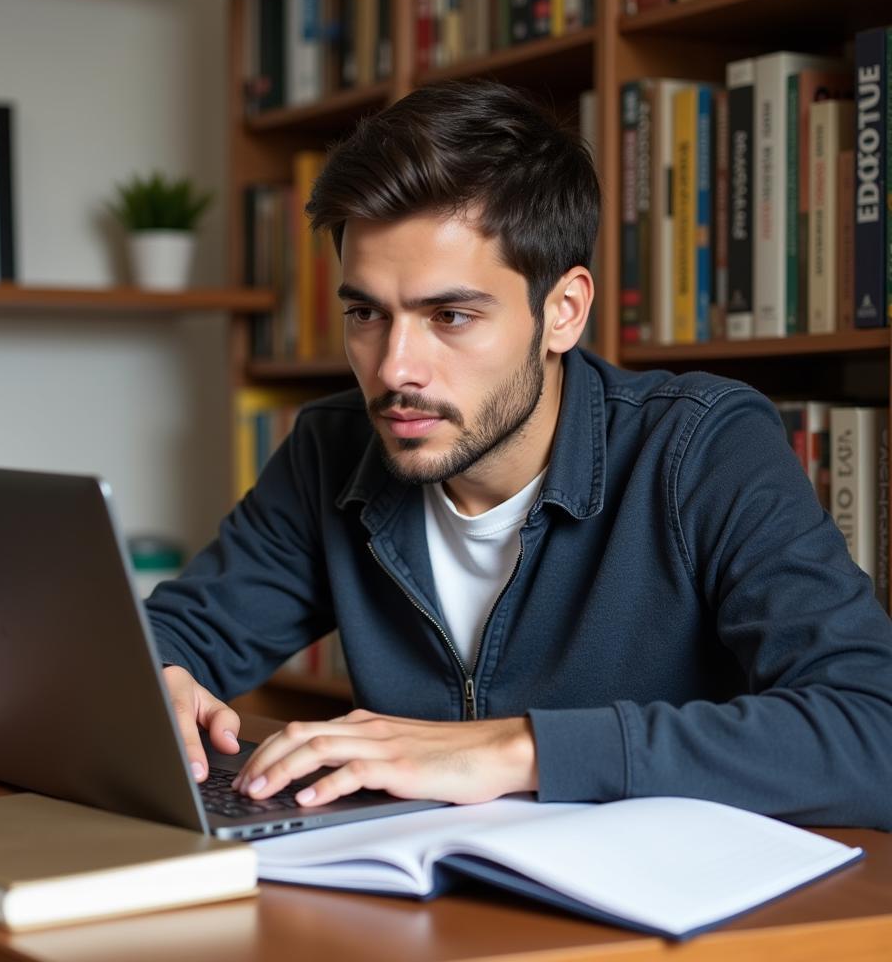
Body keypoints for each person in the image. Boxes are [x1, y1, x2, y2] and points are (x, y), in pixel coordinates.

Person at [147, 79, 892, 829]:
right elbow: (176, 634)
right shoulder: (333, 448)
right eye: (367, 313)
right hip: (426, 907)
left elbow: (874, 733)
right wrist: (158, 677)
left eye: (451, 315)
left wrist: (518, 749)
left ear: (562, 312)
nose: (395, 368)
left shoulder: (700, 447)